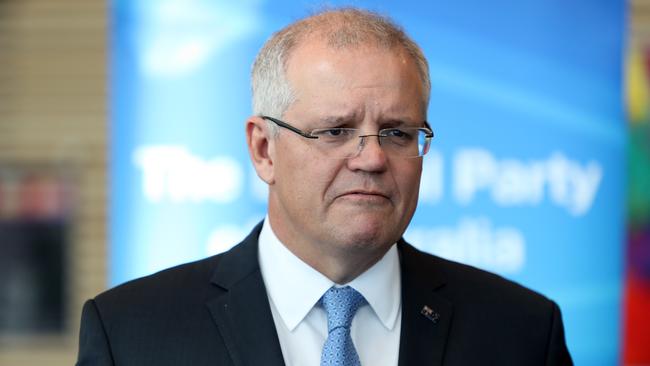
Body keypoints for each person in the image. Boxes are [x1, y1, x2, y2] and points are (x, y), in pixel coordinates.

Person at [76, 8, 573, 366]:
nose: (373, 158)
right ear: (263, 150)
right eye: (335, 131)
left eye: (398, 133)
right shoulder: (131, 334)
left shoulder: (521, 331)